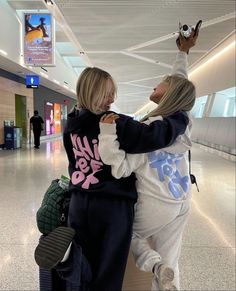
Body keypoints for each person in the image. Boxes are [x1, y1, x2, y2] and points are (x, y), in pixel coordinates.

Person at [34, 33, 197, 291]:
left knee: (83, 254)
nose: (112, 100)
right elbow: (155, 135)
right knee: (109, 270)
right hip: (112, 208)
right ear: (96, 92)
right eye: (109, 94)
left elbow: (72, 160)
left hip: (79, 201)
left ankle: (69, 261)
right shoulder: (115, 122)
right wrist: (181, 117)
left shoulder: (71, 124)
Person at [98, 33, 197, 291]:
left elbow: (119, 169)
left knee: (129, 233)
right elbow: (181, 83)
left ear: (170, 93)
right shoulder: (182, 125)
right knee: (171, 260)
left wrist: (107, 134)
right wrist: (183, 53)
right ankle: (167, 280)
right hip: (183, 198)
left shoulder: (145, 133)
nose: (157, 83)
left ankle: (153, 263)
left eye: (162, 82)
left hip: (156, 204)